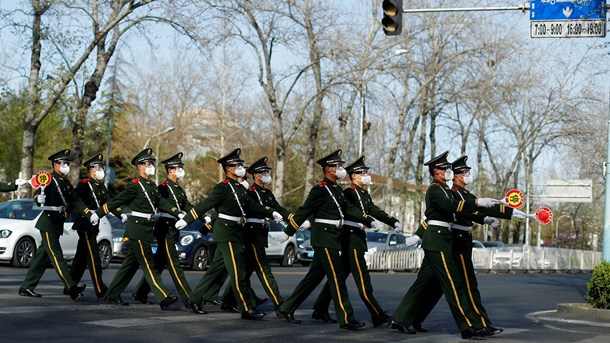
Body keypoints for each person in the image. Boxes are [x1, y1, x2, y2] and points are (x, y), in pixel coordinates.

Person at [409, 155, 527, 336]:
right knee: (456, 286)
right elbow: (437, 215)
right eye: (464, 172)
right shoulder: (447, 191)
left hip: (454, 240)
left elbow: (479, 209)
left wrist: (506, 213)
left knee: (433, 286)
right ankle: (472, 325)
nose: (467, 174)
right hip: (452, 241)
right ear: (455, 175)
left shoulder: (454, 192)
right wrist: (418, 235)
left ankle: (406, 318)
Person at [389, 151, 500, 339]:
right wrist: (478, 202)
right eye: (445, 168)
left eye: (449, 168)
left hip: (442, 240)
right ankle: (466, 326)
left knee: (422, 284)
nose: (449, 170)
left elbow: (462, 210)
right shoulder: (434, 189)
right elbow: (451, 207)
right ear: (436, 171)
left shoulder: (446, 190)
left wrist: (487, 214)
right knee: (452, 283)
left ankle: (400, 319)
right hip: (437, 240)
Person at [276, 149, 380, 330]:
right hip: (324, 239)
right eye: (338, 165)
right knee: (337, 278)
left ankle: (287, 307)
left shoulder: (337, 190)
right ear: (329, 169)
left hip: (333, 238)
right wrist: (289, 231)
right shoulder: (320, 190)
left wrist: (368, 220)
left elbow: (350, 210)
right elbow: (304, 211)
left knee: (313, 277)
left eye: (340, 165)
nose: (341, 168)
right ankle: (346, 318)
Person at [176, 148, 284, 320]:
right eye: (237, 165)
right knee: (238, 272)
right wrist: (188, 219)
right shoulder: (223, 188)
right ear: (228, 169)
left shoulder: (240, 189)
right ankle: (246, 308)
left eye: (241, 164)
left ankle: (194, 299)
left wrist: (271, 212)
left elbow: (252, 206)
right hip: (226, 233)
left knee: (216, 270)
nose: (241, 167)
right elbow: (206, 204)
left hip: (236, 233)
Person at [310, 156, 398, 327]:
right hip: (350, 240)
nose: (366, 175)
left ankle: (320, 308)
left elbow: (373, 210)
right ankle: (376, 313)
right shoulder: (349, 192)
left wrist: (392, 221)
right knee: (362, 280)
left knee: (338, 278)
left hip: (354, 239)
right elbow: (343, 211)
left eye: (366, 172)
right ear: (354, 176)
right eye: (362, 173)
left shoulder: (363, 193)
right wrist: (367, 221)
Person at [96, 148, 179, 310]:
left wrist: (178, 212)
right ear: (140, 166)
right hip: (138, 229)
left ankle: (113, 294)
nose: (151, 166)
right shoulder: (135, 186)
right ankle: (163, 296)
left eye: (151, 163)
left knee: (130, 265)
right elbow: (116, 201)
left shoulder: (151, 185)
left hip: (146, 229)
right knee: (149, 264)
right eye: (148, 163)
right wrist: (99, 213)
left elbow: (160, 203)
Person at [19, 149, 95, 299]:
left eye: (67, 163)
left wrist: (89, 213)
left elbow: (75, 200)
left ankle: (26, 287)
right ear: (55, 165)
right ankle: (71, 287)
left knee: (43, 257)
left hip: (57, 222)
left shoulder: (65, 183)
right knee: (57, 256)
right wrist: (37, 200)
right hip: (48, 222)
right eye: (63, 163)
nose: (66, 165)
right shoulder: (49, 179)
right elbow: (37, 194)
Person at [219, 157, 291, 313]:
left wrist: (294, 219)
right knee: (265, 271)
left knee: (244, 272)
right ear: (256, 175)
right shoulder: (250, 192)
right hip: (251, 235)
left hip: (260, 234)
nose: (266, 174)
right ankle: (280, 304)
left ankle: (228, 300)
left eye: (267, 171)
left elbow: (279, 209)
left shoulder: (268, 193)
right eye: (263, 172)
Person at [131, 152, 197, 310]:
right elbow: (161, 204)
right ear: (170, 170)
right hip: (165, 227)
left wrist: (201, 215)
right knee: (175, 265)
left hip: (174, 227)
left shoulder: (178, 189)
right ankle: (189, 298)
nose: (181, 169)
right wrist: (178, 213)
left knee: (160, 262)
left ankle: (141, 292)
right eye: (178, 167)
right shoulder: (163, 188)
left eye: (181, 166)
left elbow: (186, 205)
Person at [67, 153, 126, 299]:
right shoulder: (85, 184)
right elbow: (73, 200)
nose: (101, 170)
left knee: (81, 258)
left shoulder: (100, 187)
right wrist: (66, 212)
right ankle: (100, 288)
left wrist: (121, 214)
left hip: (94, 223)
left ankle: (69, 286)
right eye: (98, 167)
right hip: (85, 223)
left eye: (101, 167)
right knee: (94, 257)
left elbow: (109, 203)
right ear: (91, 169)